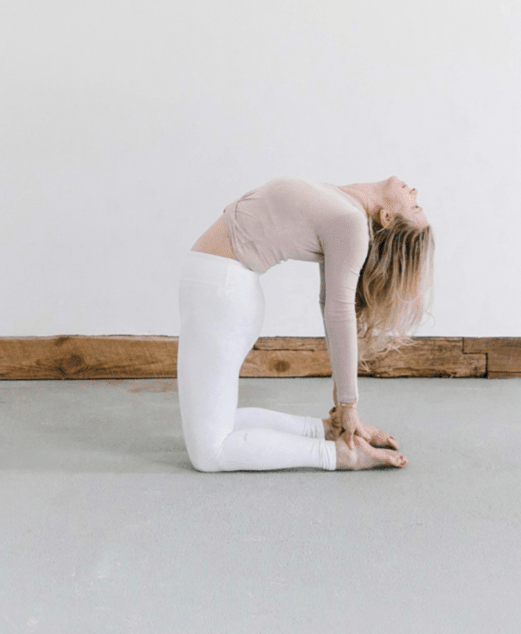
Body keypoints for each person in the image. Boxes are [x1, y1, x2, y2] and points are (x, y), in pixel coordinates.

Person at [179, 176, 434, 472]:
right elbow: (330, 305)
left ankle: (341, 455)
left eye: (415, 207)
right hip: (221, 289)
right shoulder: (343, 205)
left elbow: (338, 312)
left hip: (220, 291)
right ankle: (324, 431)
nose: (414, 192)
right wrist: (342, 412)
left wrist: (349, 405)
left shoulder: (350, 222)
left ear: (387, 217)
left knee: (210, 453)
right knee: (216, 421)